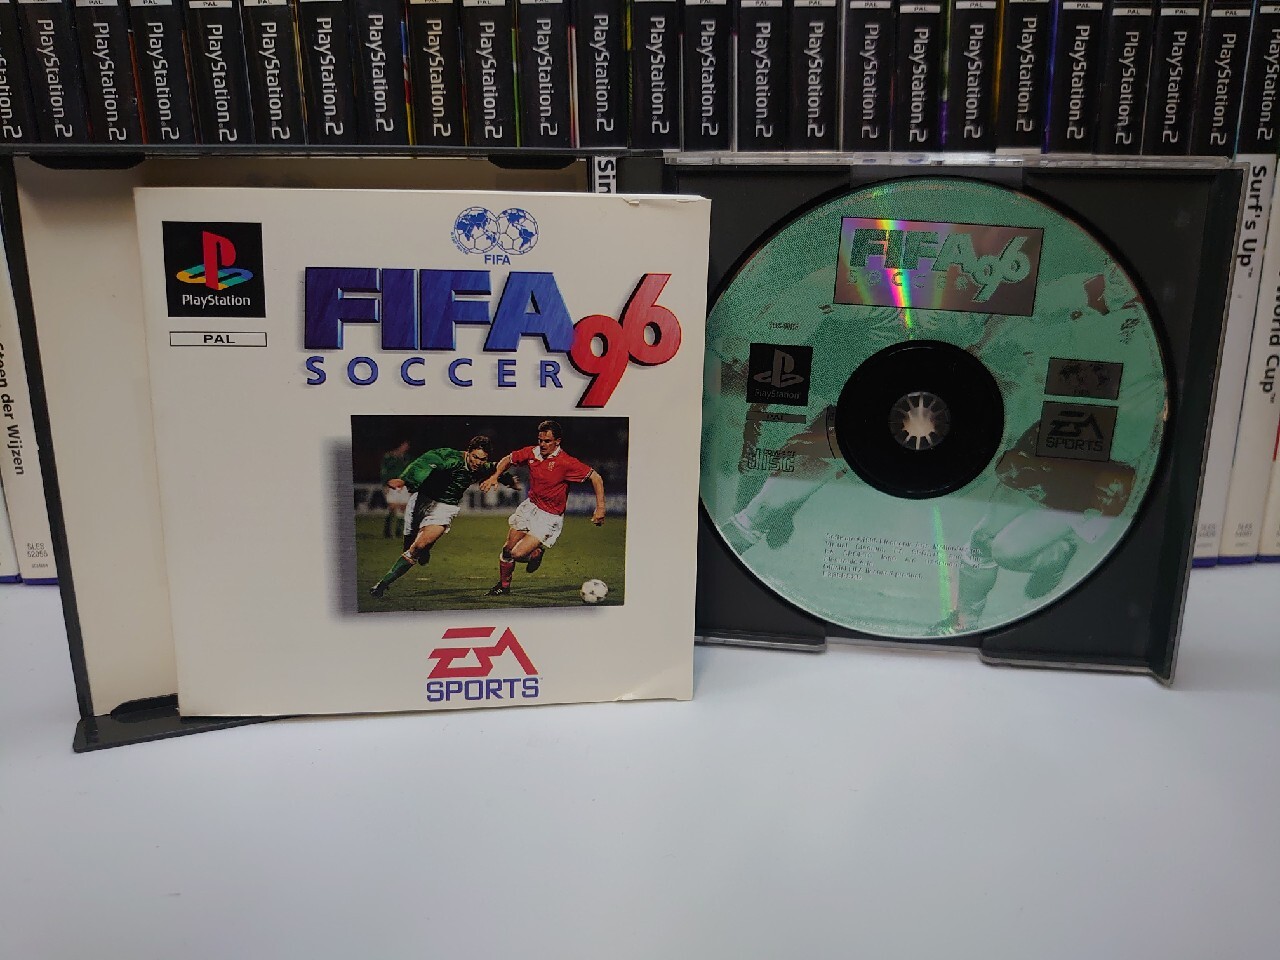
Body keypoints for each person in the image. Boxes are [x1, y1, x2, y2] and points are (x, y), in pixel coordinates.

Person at [369, 436, 509, 599]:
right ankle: (424, 550)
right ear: (468, 452)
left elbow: (498, 467)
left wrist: (507, 479)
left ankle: (381, 585)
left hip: (444, 508)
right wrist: (404, 480)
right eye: (475, 457)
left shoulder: (481, 466)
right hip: (422, 500)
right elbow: (426, 461)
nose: (478, 462)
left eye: (482, 459)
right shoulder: (450, 458)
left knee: (418, 547)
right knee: (408, 546)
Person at [478, 419, 606, 596]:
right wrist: (495, 476)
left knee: (517, 554)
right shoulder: (532, 452)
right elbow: (508, 459)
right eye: (540, 440)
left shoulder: (566, 462)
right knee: (507, 549)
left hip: (549, 516)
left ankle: (535, 554)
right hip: (530, 506)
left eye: (547, 441)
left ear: (557, 441)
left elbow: (596, 477)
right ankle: (504, 586)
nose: (542, 444)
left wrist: (600, 508)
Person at [379, 439, 411, 539]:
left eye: (407, 446)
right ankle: (387, 530)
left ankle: (399, 531)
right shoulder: (389, 457)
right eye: (404, 445)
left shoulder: (406, 458)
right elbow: (384, 472)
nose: (406, 447)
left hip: (404, 485)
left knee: (403, 507)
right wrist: (385, 485)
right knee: (392, 507)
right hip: (392, 484)